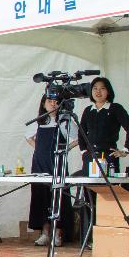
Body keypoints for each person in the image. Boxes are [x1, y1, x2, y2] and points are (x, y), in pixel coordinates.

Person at [25, 92, 77, 247]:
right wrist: (39, 149)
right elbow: (28, 137)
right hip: (40, 164)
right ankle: (45, 233)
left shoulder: (64, 120)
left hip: (57, 163)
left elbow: (78, 137)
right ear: (43, 103)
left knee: (59, 196)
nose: (53, 104)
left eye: (56, 101)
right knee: (41, 196)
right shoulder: (39, 121)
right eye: (49, 101)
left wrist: (65, 149)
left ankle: (58, 234)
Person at [78, 77, 129, 173]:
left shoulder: (115, 108)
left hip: (108, 157)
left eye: (102, 88)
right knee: (90, 187)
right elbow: (81, 133)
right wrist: (83, 151)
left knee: (108, 187)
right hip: (89, 158)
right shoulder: (88, 110)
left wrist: (125, 150)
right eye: (95, 88)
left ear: (108, 91)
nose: (98, 91)